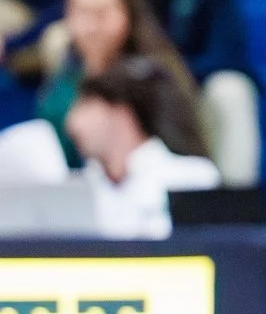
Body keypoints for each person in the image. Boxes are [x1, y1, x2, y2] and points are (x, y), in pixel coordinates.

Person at [119, 0, 261, 188]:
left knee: (232, 89)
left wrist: (165, 81)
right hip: (129, 105)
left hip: (193, 98)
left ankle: (235, 209)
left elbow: (229, 53)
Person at [21, 0, 209, 166]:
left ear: (127, 14)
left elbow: (184, 156)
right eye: (82, 13)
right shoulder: (60, 90)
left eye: (101, 13)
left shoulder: (153, 81)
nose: (91, 26)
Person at [64, 58, 222, 238]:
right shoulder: (78, 188)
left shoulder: (191, 178)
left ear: (121, 112)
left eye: (87, 106)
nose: (72, 123)